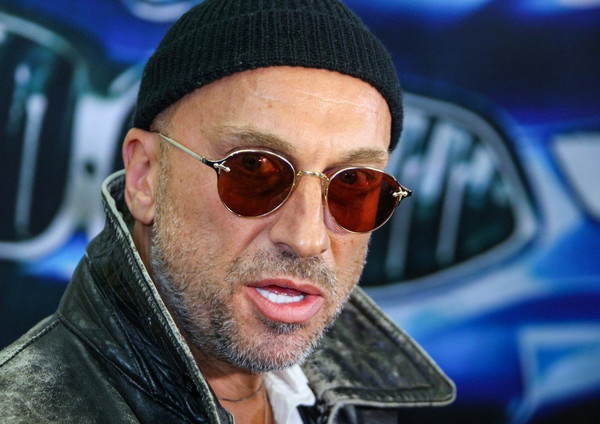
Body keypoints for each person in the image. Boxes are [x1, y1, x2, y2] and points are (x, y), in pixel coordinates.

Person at [0, 0, 455, 422]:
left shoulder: (356, 406)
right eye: (255, 168)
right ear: (145, 177)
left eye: (353, 182)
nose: (307, 238)